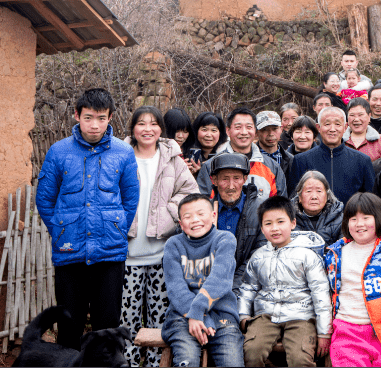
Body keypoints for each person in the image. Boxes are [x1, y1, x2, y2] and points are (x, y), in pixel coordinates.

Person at [37, 88, 138, 348]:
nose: (95, 125)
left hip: (109, 254)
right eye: (89, 118)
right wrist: (62, 231)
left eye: (102, 118)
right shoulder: (58, 152)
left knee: (107, 327)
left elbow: (130, 199)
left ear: (111, 118)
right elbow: (45, 201)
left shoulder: (123, 153)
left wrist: (115, 229)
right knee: (69, 326)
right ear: (76, 116)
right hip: (70, 254)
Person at [122, 106, 200, 366]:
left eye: (153, 123)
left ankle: (157, 364)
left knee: (160, 318)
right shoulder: (120, 156)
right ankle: (130, 363)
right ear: (133, 128)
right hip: (127, 254)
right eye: (141, 123)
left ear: (161, 129)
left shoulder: (173, 159)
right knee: (127, 319)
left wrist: (168, 212)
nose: (147, 129)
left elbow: (190, 193)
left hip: (161, 256)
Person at [324, 193, 381, 368]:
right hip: (346, 332)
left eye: (366, 218)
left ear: (379, 218)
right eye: (353, 219)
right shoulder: (334, 255)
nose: (359, 224)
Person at [239, 196, 332, 367]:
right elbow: (248, 288)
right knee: (251, 352)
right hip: (265, 315)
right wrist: (243, 315)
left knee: (300, 358)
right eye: (268, 224)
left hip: (302, 316)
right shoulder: (258, 256)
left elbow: (321, 294)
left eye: (280, 221)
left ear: (293, 223)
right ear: (261, 228)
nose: (275, 228)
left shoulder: (307, 255)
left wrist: (324, 332)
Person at [161, 194, 243, 367]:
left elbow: (220, 280)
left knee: (232, 363)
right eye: (188, 217)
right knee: (187, 360)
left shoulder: (225, 239)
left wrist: (199, 311)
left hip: (222, 315)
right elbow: (176, 287)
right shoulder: (173, 245)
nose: (195, 220)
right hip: (182, 316)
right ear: (181, 224)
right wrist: (196, 316)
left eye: (200, 214)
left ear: (213, 216)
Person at [289, 107, 376, 204]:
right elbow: (294, 199)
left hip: (349, 217)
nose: (332, 129)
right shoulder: (301, 160)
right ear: (319, 128)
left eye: (337, 124)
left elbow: (370, 200)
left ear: (345, 127)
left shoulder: (362, 161)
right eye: (327, 124)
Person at [196, 107, 286, 200]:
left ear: (255, 131)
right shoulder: (210, 166)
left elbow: (280, 205)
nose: (243, 132)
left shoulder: (272, 167)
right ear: (228, 131)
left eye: (249, 127)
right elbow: (204, 205)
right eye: (238, 127)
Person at [206, 153, 266, 288]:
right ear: (214, 180)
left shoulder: (260, 210)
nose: (231, 186)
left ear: (245, 179)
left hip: (247, 285)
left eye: (237, 178)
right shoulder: (204, 210)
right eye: (225, 179)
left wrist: (235, 284)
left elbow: (260, 253)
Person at [292, 170, 345, 247]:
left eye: (319, 191)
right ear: (299, 197)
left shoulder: (341, 220)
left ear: (327, 196)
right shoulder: (289, 219)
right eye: (309, 191)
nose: (314, 197)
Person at [255, 110, 293, 177]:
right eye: (265, 129)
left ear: (281, 129)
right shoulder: (249, 159)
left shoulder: (290, 160)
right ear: (257, 132)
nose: (271, 134)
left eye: (275, 129)